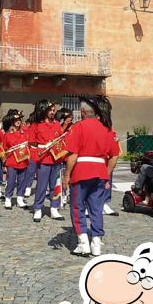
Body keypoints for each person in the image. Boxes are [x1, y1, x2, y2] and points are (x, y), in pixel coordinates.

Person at [62, 96, 119, 257]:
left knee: (77, 206)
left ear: (82, 112)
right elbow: (115, 155)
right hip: (100, 173)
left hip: (81, 171)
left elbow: (73, 154)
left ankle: (83, 243)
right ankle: (96, 244)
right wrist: (106, 174)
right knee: (96, 209)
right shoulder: (106, 129)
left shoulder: (78, 127)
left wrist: (67, 175)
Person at [30, 100, 64, 223]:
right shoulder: (36, 125)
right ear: (44, 110)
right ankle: (38, 208)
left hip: (56, 159)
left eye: (54, 110)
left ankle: (54, 208)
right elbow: (32, 143)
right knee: (41, 185)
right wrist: (41, 150)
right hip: (43, 159)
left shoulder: (56, 124)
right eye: (50, 110)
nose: (52, 112)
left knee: (55, 185)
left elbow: (61, 139)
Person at [1, 109, 31, 210]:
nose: (19, 121)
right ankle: (8, 198)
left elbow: (29, 146)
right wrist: (4, 163)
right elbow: (4, 149)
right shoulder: (7, 134)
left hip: (23, 161)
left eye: (20, 119)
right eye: (16, 120)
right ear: (12, 121)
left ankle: (20, 198)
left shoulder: (25, 133)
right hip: (12, 162)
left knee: (22, 181)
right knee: (11, 181)